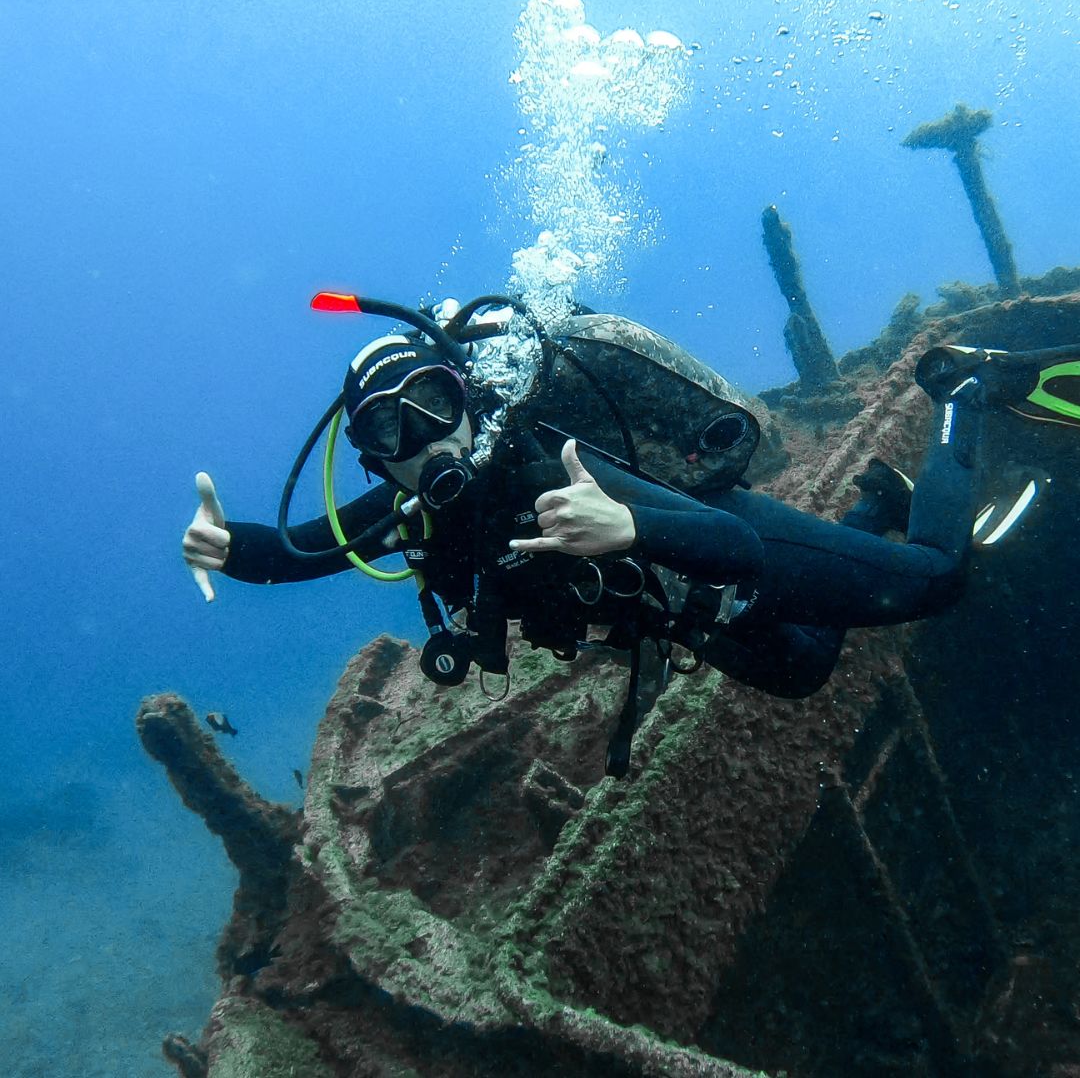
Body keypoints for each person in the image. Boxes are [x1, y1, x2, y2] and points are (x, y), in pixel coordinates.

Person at [182, 298, 1070, 772]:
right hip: (684, 609)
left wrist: (628, 522)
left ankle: (962, 390)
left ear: (468, 398)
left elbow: (739, 548)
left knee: (934, 580)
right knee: (802, 670)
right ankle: (874, 503)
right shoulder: (413, 510)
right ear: (373, 459)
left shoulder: (547, 467)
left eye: (434, 404)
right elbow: (299, 552)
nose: (423, 440)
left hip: (719, 545)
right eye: (389, 429)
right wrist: (228, 547)